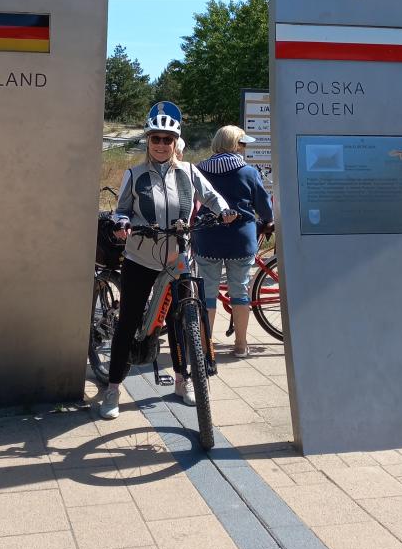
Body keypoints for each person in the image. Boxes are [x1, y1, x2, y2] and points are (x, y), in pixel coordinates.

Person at [97, 102, 235, 420]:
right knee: (128, 322)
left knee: (180, 321)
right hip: (140, 257)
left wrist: (224, 210)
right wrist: (122, 223)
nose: (161, 144)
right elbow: (121, 209)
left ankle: (183, 380)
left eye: (167, 139)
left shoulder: (189, 172)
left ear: (175, 142)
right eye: (156, 138)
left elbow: (210, 196)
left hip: (178, 258)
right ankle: (113, 388)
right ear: (148, 140)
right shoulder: (134, 174)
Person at [192, 125, 274, 358]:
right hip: (241, 240)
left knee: (207, 294)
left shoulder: (198, 170)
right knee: (240, 292)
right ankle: (240, 344)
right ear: (236, 145)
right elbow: (264, 207)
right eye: (243, 143)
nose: (244, 148)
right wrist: (268, 220)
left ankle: (205, 346)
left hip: (208, 238)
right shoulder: (248, 172)